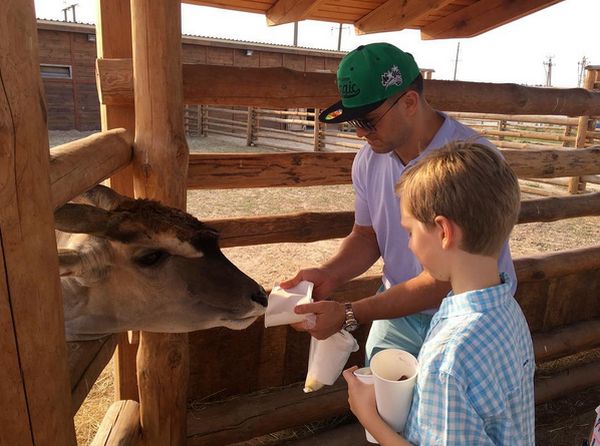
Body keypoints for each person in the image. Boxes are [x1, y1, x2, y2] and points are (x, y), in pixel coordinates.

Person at [281, 42, 516, 361]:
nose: (360, 134)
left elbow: (447, 276)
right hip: (397, 309)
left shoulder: (472, 164)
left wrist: (350, 314)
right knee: (381, 403)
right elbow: (367, 235)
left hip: (464, 313)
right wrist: (330, 274)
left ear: (408, 102)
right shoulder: (368, 160)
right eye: (354, 122)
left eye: (368, 120)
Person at [343, 141, 535, 445]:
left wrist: (369, 417)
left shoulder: (449, 357)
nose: (409, 244)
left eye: (410, 232)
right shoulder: (508, 311)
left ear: (443, 232)